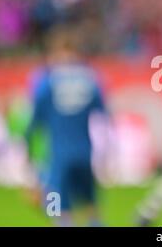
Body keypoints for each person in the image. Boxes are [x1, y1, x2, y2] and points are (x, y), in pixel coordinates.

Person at [26, 25, 107, 226]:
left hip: (58, 158)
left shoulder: (46, 82)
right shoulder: (90, 79)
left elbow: (32, 126)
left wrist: (32, 172)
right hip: (85, 155)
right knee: (91, 208)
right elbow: (103, 115)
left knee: (56, 210)